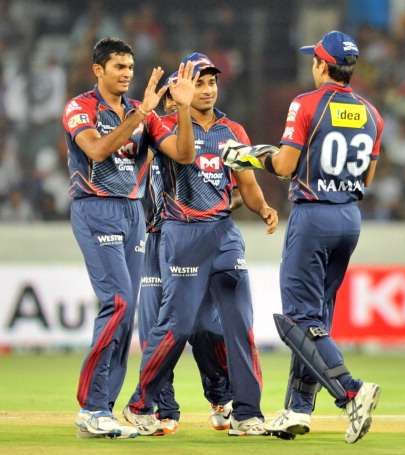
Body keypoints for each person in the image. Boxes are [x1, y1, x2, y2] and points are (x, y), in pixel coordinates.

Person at [223, 30, 383, 444]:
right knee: (317, 317)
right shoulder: (371, 112)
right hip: (350, 216)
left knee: (298, 318)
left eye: (315, 59)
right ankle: (297, 409)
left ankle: (351, 391)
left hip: (313, 216)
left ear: (321, 65)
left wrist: (252, 155)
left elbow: (285, 164)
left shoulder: (306, 103)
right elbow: (368, 176)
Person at [123, 51, 278, 437]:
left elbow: (248, 185)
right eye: (197, 83)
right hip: (182, 234)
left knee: (239, 324)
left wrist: (263, 209)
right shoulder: (162, 124)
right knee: (178, 324)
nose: (206, 89)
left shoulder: (234, 131)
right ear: (178, 90)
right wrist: (183, 109)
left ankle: (247, 413)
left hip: (224, 234)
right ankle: (142, 403)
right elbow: (186, 153)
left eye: (211, 82)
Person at [61, 37, 197, 439]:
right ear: (97, 70)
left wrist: (185, 109)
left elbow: (185, 154)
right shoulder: (80, 108)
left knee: (126, 311)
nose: (126, 74)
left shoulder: (144, 113)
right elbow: (98, 151)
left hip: (132, 213)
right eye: (118, 67)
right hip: (95, 207)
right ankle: (91, 407)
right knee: (117, 301)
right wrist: (142, 116)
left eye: (130, 68)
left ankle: (102, 408)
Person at [136, 73, 241, 435]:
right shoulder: (150, 133)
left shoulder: (196, 139)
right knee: (155, 327)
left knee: (203, 325)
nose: (172, 105)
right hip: (151, 241)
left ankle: (220, 399)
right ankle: (163, 410)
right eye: (170, 98)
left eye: (177, 98)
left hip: (184, 239)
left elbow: (227, 190)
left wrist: (222, 209)